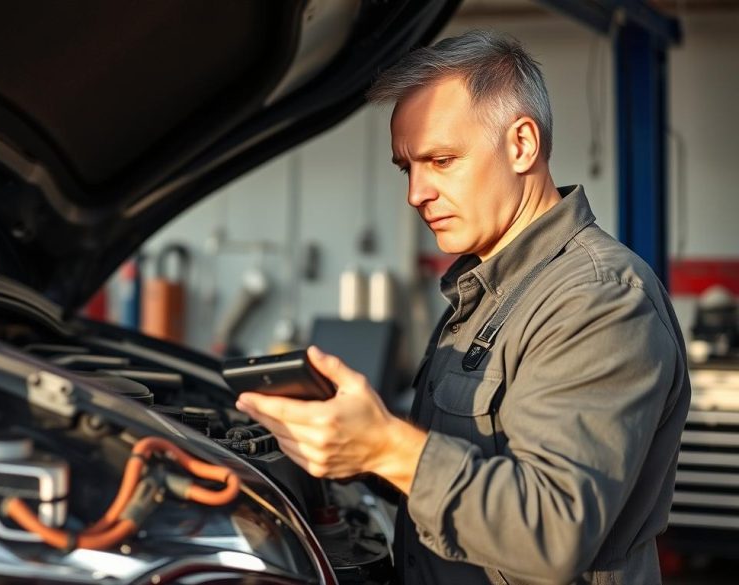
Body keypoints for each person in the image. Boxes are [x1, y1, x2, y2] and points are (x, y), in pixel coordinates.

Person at [235, 30, 690, 585]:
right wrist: (353, 443)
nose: (416, 193)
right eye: (407, 167)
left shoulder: (597, 300)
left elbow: (552, 531)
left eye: (441, 159)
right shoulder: (487, 290)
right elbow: (463, 467)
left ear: (522, 145)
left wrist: (385, 446)